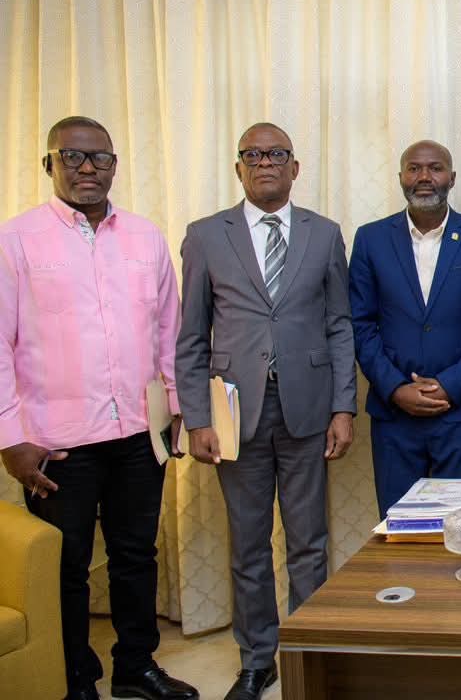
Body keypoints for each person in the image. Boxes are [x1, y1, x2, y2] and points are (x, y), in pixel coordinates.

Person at [0, 117, 197, 700]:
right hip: (56, 441)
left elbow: (169, 331)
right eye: (72, 156)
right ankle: (74, 678)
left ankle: (136, 667)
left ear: (114, 165)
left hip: (139, 431)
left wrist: (175, 410)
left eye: (99, 158)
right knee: (65, 565)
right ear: (49, 164)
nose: (87, 168)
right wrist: (11, 437)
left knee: (136, 555)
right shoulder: (16, 240)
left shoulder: (144, 237)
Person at [175, 123, 357, 700]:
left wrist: (344, 408)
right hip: (235, 414)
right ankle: (257, 660)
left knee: (309, 540)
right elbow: (191, 336)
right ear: (239, 169)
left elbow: (339, 325)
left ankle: (308, 651)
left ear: (294, 167)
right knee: (249, 542)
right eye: (252, 155)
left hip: (307, 408)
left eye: (276, 154)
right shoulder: (206, 236)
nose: (264, 163)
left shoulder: (324, 234)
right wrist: (197, 419)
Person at [349, 140, 461, 517]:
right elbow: (360, 323)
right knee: (400, 527)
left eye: (435, 168)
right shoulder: (370, 239)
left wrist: (450, 385)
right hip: (395, 416)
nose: (424, 177)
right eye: (414, 168)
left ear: (452, 178)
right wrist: (395, 388)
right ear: (400, 177)